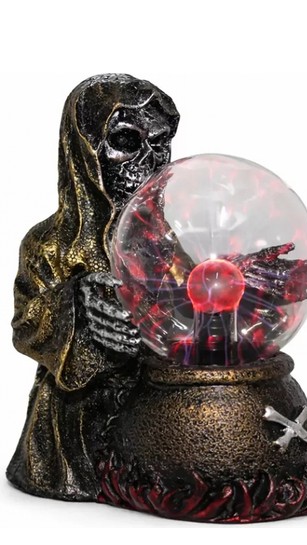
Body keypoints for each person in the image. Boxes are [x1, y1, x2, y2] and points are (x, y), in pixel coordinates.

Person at [6, 74, 179, 500]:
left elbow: (192, 305)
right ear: (85, 151)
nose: (150, 161)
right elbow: (25, 329)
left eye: (160, 142)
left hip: (152, 415)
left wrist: (243, 282)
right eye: (126, 141)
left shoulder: (163, 242)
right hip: (71, 429)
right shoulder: (49, 244)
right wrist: (76, 303)